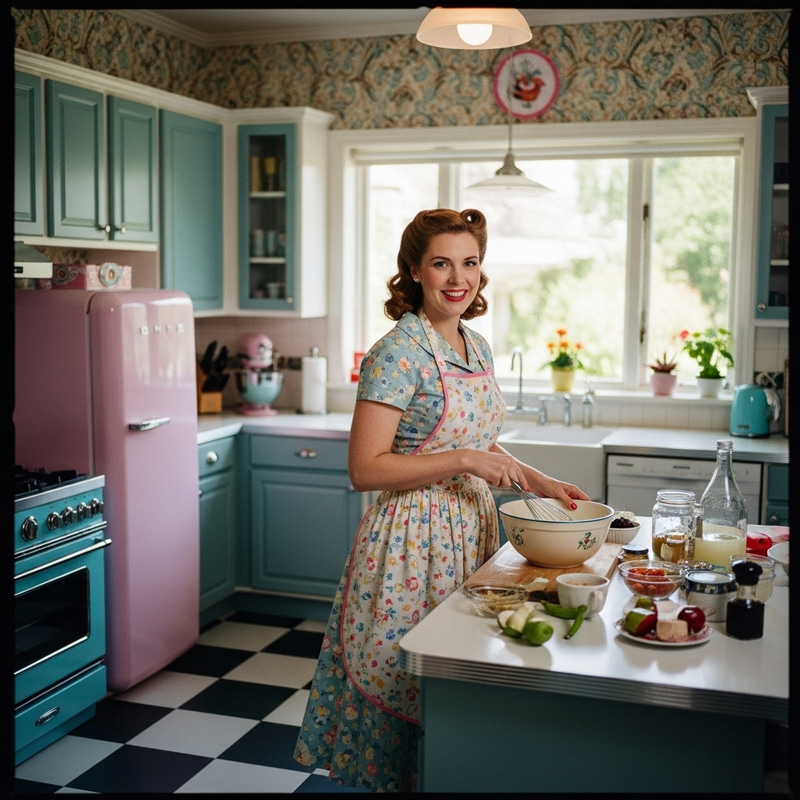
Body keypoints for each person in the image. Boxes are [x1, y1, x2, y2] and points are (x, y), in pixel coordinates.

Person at [293, 208, 589, 792]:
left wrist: (542, 482)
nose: (459, 277)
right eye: (442, 263)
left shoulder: (472, 344)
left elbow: (477, 443)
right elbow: (364, 468)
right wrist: (467, 461)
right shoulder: (397, 353)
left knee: (458, 679)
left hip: (470, 533)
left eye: (470, 262)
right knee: (406, 676)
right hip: (410, 542)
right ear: (414, 271)